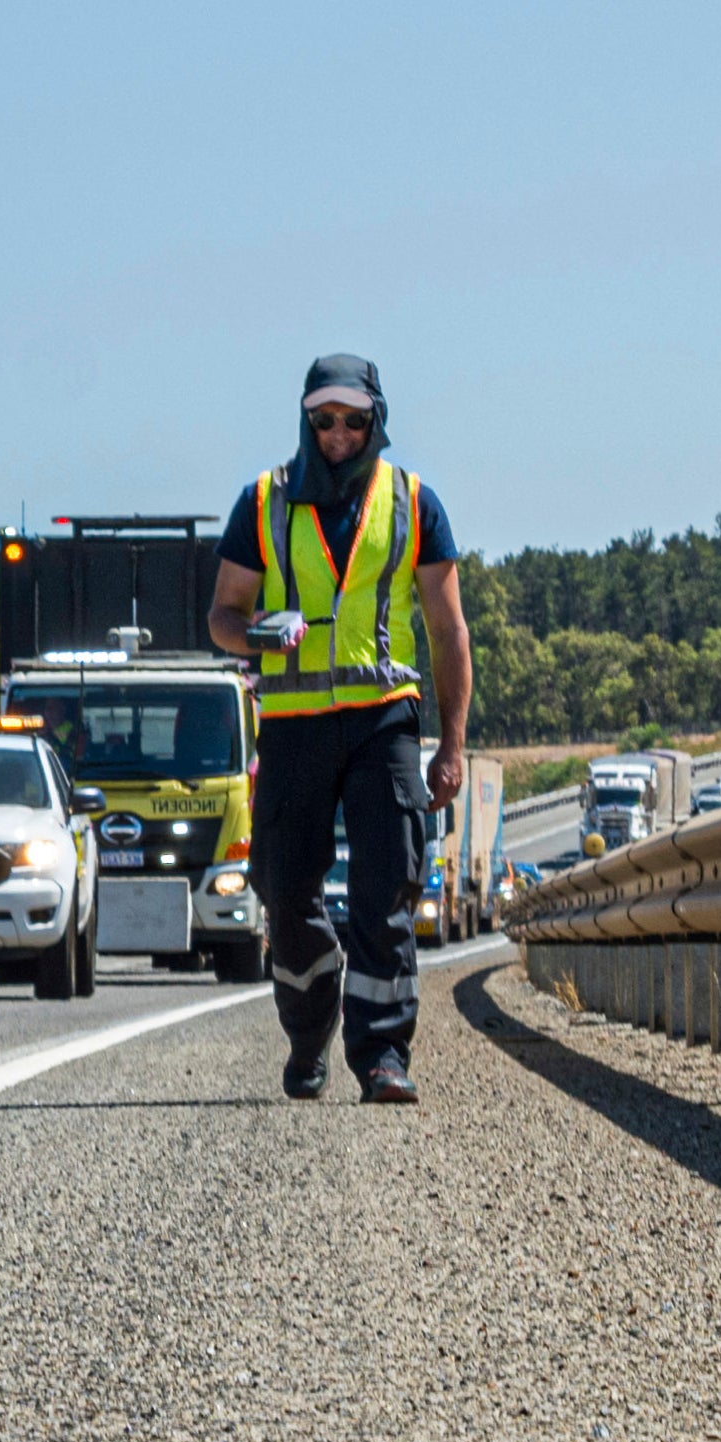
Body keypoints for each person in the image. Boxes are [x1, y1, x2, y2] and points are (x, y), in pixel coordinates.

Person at [208, 355, 471, 1106]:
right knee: (284, 892)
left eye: (353, 419)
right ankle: (308, 1026)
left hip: (382, 718)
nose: (337, 433)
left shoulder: (415, 504)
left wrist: (449, 746)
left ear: (375, 420)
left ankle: (382, 1052)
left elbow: (449, 634)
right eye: (323, 419)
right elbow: (221, 617)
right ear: (304, 418)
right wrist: (257, 633)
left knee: (387, 880)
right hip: (290, 724)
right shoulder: (261, 502)